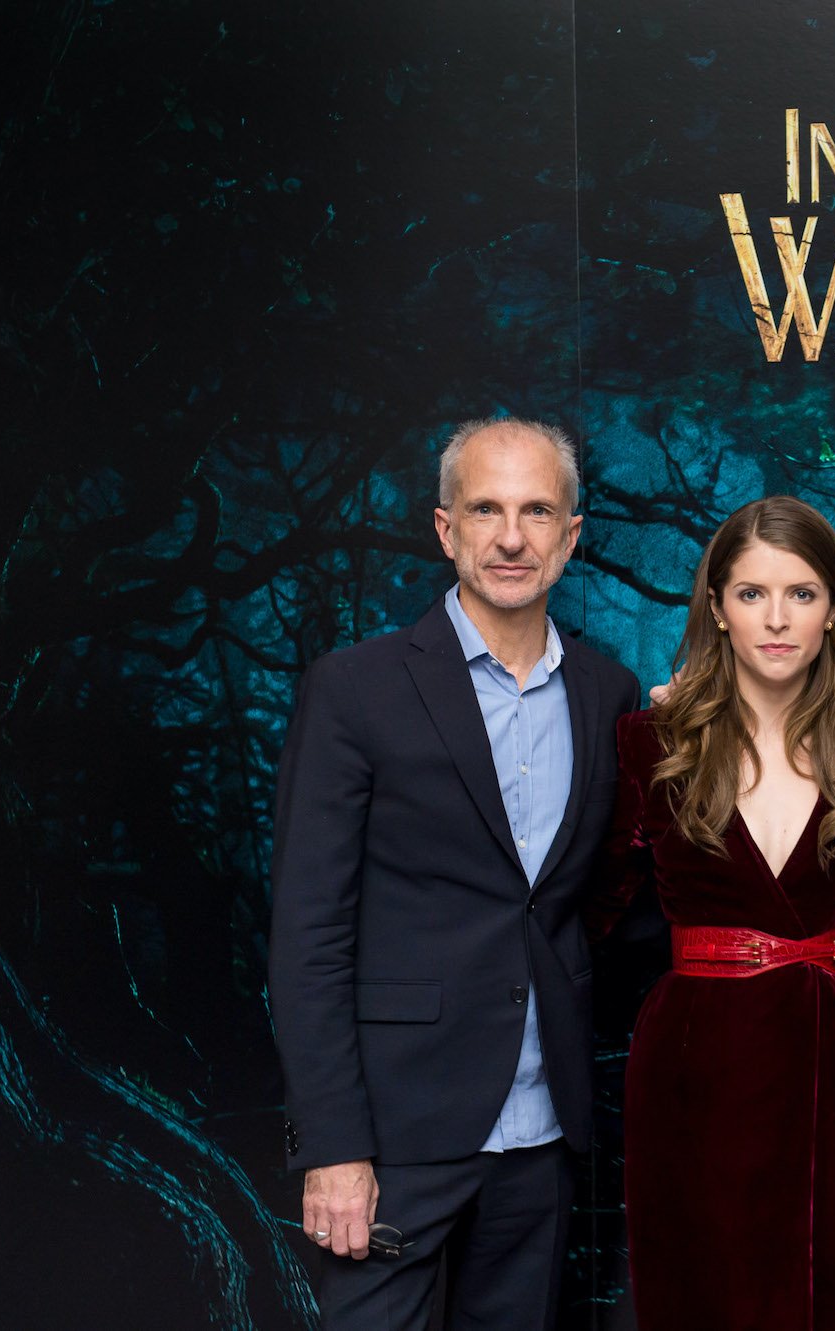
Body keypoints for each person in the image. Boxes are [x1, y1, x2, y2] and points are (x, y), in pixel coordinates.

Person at [267, 418, 638, 1330]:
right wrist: (334, 1146)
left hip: (542, 1134)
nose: (512, 536)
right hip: (396, 1138)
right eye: (486, 509)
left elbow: (609, 907)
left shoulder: (609, 696)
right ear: (446, 529)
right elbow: (307, 933)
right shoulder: (356, 689)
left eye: (537, 510)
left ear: (570, 535)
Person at [587, 495, 835, 1331]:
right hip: (693, 1060)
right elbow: (588, 917)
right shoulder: (649, 742)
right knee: (697, 1291)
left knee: (834, 1293)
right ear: (716, 607)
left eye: (802, 594)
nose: (777, 619)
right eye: (751, 594)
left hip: (829, 1059)